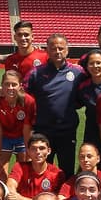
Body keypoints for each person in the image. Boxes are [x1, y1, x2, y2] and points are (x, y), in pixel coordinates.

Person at [24, 34, 84, 171]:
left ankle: (65, 193)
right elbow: (23, 95)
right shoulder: (35, 73)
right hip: (43, 130)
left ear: (67, 50)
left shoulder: (78, 72)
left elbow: (86, 92)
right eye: (53, 48)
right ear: (47, 50)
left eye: (61, 48)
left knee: (67, 168)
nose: (57, 51)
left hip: (67, 130)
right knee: (42, 168)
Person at [4, 134, 63, 200]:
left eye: (42, 148)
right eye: (33, 149)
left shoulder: (57, 174)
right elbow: (10, 185)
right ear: (28, 151)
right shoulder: (19, 167)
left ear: (49, 151)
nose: (38, 152)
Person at [0, 68, 34, 180]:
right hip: (4, 136)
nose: (10, 88)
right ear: (1, 86)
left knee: (25, 169)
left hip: (21, 136)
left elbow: (27, 130)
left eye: (14, 84)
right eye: (7, 84)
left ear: (20, 86)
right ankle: (3, 194)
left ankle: (19, 193)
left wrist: (29, 152)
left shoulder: (28, 101)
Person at [74, 48, 101, 160]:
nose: (95, 66)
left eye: (98, 62)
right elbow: (75, 104)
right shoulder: (83, 87)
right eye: (91, 63)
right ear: (87, 66)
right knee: (90, 166)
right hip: (91, 133)